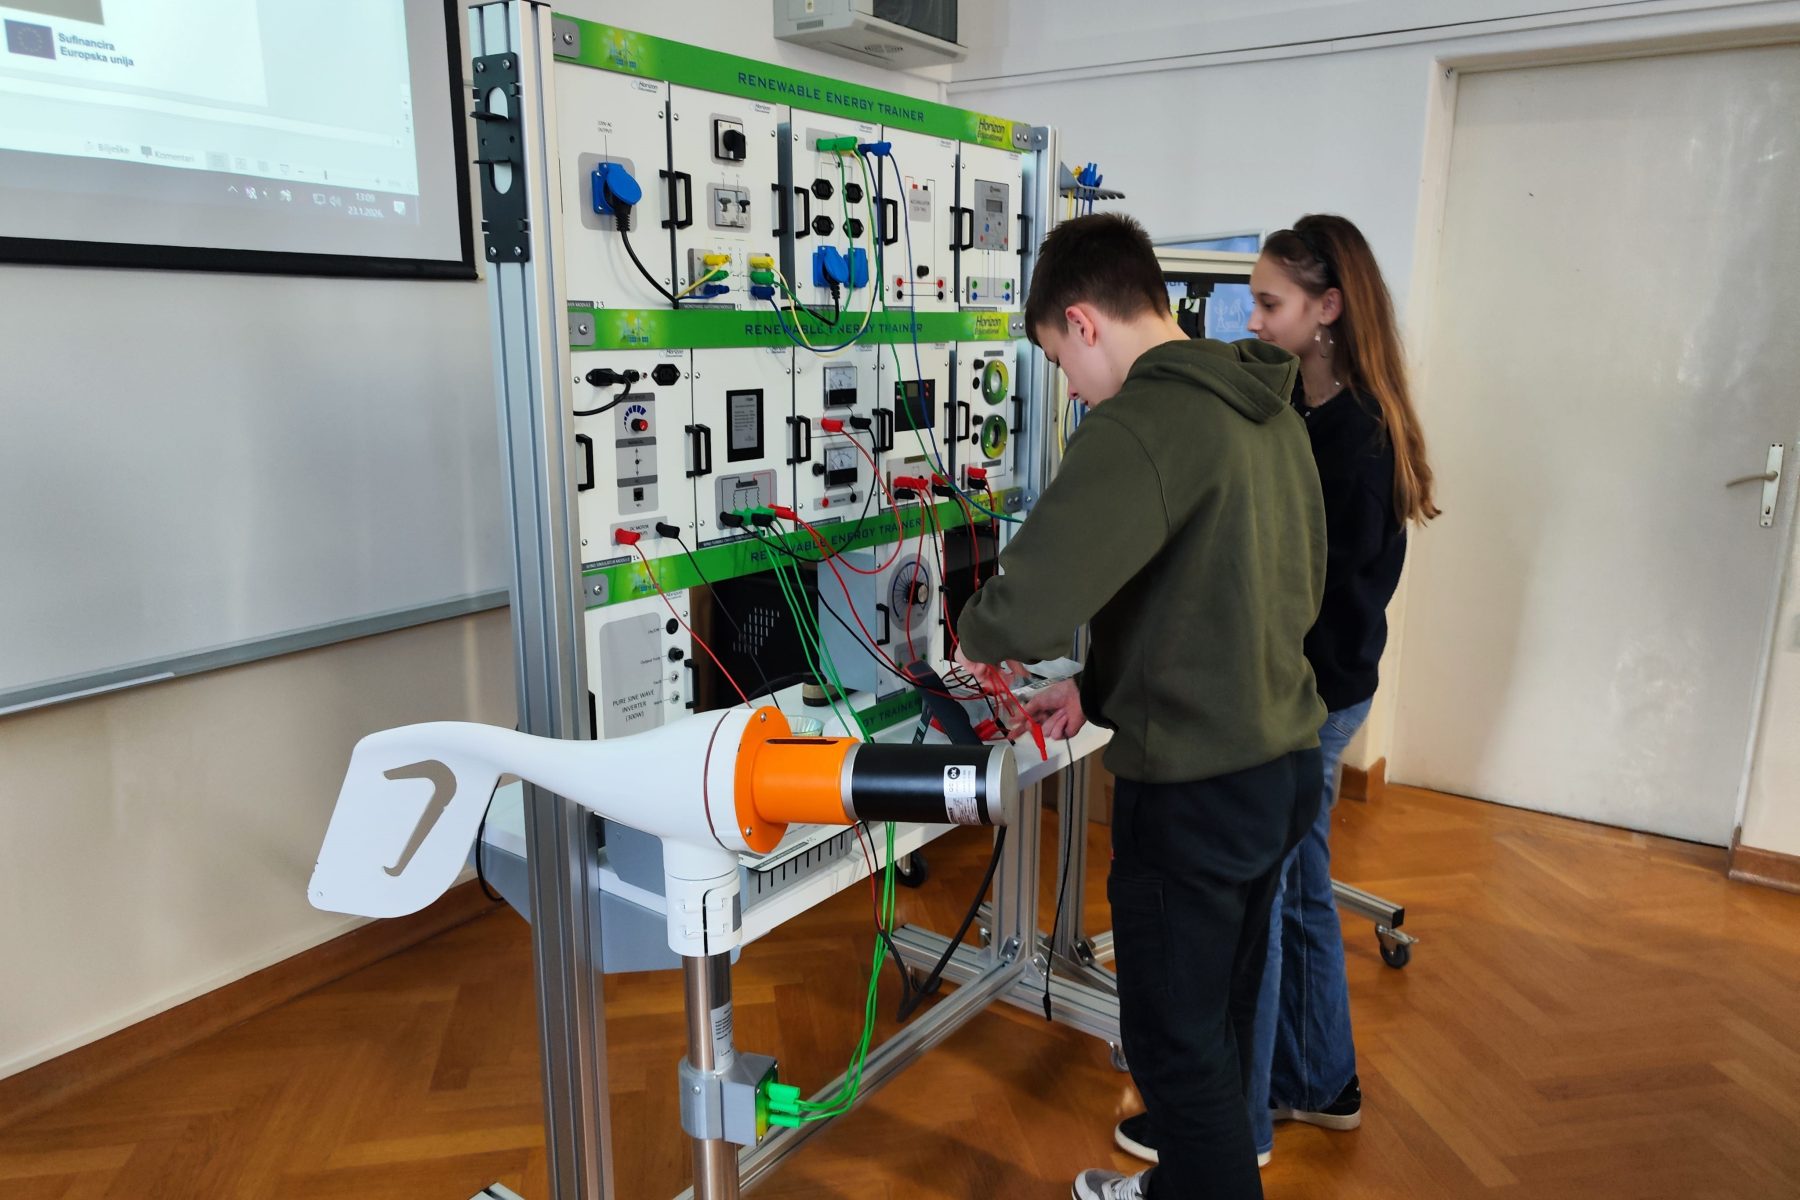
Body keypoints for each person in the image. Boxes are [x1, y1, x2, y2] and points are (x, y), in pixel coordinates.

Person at [953, 211, 1327, 1200]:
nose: (1073, 391)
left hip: (1197, 796)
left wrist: (970, 636)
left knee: (1172, 1048)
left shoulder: (1143, 424)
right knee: (1220, 1021)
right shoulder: (1266, 407)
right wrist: (1099, 685)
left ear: (1084, 322)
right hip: (1280, 770)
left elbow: (1026, 607)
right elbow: (1241, 594)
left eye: (1060, 364)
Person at [1110, 214, 1439, 1172]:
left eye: (1267, 303)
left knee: (1256, 913)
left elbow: (1292, 593)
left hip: (1309, 701)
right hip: (1325, 691)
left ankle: (1237, 1125)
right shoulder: (1315, 408)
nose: (1248, 320)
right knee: (1295, 894)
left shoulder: (1350, 442)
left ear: (1328, 309)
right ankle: (1320, 1082)